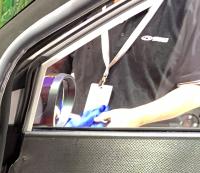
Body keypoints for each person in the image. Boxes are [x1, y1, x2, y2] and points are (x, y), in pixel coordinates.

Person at [69, 0, 200, 127]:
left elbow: (194, 90)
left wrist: (137, 117)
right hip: (79, 131)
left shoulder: (187, 7)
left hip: (146, 137)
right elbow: (59, 68)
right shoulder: (84, 7)